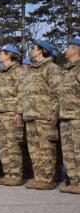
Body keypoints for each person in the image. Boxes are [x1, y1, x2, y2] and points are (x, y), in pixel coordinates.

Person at [22, 40, 61, 190]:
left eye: (34, 48)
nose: (32, 50)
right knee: (34, 149)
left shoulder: (51, 68)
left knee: (46, 149)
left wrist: (55, 112)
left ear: (42, 51)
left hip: (45, 115)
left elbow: (58, 91)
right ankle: (39, 178)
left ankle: (47, 179)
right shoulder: (33, 70)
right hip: (31, 115)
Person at [0, 45, 25, 186]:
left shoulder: (18, 71)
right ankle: (8, 174)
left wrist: (19, 112)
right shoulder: (0, 72)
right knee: (3, 146)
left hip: (12, 114)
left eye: (1, 52)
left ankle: (16, 175)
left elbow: (23, 93)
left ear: (9, 55)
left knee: (13, 146)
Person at [58, 37, 80, 194]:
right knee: (68, 152)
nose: (66, 50)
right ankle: (74, 181)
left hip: (77, 115)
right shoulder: (65, 70)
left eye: (69, 48)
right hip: (65, 116)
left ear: (75, 50)